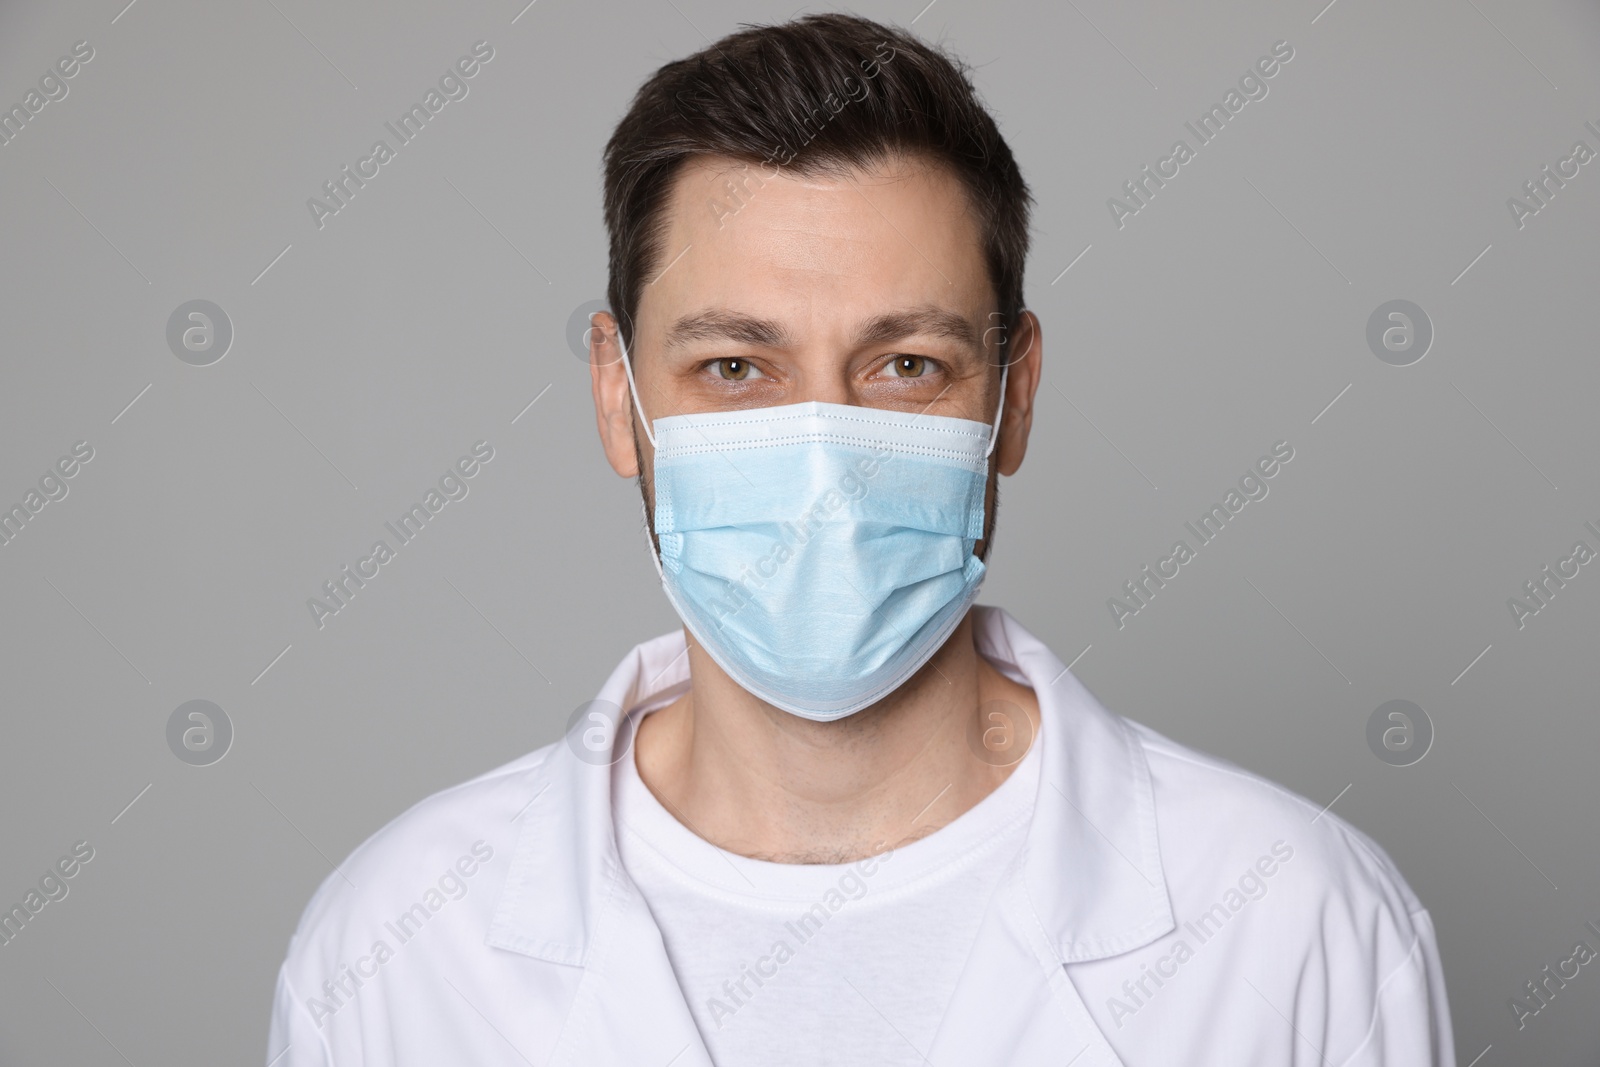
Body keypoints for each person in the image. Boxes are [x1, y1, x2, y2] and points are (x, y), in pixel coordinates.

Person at [268, 14, 1455, 1065]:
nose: (825, 460)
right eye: (735, 367)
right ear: (617, 397)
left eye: (905, 366)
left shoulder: (1300, 924)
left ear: (1013, 393)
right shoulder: (394, 951)